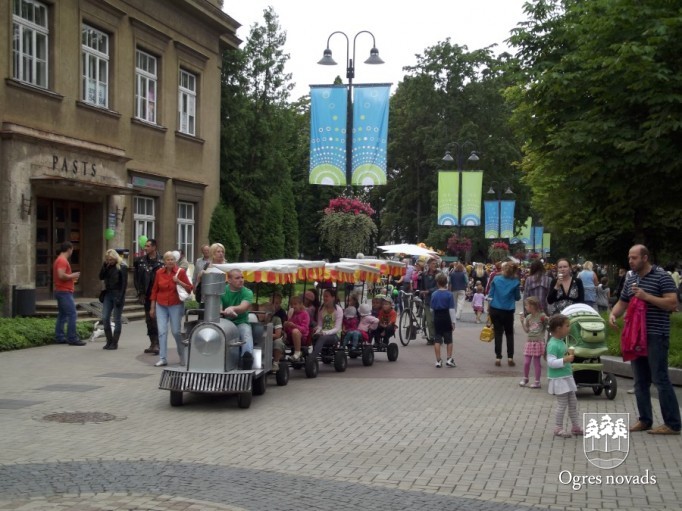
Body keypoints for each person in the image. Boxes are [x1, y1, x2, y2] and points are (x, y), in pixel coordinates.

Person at [609, 244, 680, 435]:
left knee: (660, 378)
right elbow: (623, 301)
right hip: (636, 336)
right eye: (629, 257)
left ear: (645, 258)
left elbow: (672, 303)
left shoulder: (662, 276)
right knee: (640, 380)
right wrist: (613, 314)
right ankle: (645, 420)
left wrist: (647, 296)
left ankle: (673, 424)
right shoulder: (631, 278)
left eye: (634, 258)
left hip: (656, 334)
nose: (630, 261)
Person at [149, 251, 193, 367]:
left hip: (175, 304)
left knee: (176, 332)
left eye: (172, 259)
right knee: (162, 332)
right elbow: (155, 290)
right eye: (168, 259)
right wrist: (152, 307)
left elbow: (190, 288)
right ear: (164, 261)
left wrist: (179, 281)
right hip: (161, 304)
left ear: (175, 261)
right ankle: (162, 358)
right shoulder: (159, 272)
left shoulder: (180, 272)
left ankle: (182, 354)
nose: (170, 261)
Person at [546, 314, 583, 438]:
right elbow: (551, 362)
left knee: (573, 402)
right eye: (567, 326)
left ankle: (575, 426)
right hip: (559, 379)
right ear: (558, 328)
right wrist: (565, 360)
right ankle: (558, 427)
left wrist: (567, 359)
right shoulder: (553, 344)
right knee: (562, 404)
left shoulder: (561, 342)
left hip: (566, 376)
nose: (569, 328)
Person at [488, 262, 521, 367]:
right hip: (508, 310)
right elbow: (517, 297)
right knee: (509, 334)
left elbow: (490, 295)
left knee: (498, 333)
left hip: (495, 308)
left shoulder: (496, 279)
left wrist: (489, 307)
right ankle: (510, 357)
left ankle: (498, 357)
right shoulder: (515, 282)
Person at [133, 238, 164, 354]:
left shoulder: (162, 261)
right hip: (146, 294)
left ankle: (158, 343)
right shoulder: (140, 261)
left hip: (159, 294)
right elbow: (137, 279)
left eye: (148, 246)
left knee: (156, 319)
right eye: (145, 246)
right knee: (149, 319)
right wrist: (140, 292)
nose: (145, 248)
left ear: (154, 247)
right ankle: (152, 343)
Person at [220, 268, 254, 369]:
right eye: (237, 278)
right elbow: (218, 308)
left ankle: (247, 359)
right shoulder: (221, 291)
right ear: (229, 280)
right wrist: (223, 312)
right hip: (224, 323)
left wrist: (232, 308)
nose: (241, 280)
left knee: (246, 332)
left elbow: (243, 307)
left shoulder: (247, 292)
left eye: (242, 277)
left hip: (241, 322)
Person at [52, 241, 84, 346]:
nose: (72, 252)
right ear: (69, 249)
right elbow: (61, 275)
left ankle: (60, 337)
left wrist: (70, 277)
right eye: (72, 249)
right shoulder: (62, 260)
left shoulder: (59, 259)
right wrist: (72, 275)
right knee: (72, 314)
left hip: (61, 290)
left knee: (63, 314)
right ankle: (72, 338)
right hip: (64, 291)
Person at [98, 249, 128, 350]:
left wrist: (120, 297)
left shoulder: (122, 267)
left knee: (116, 318)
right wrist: (104, 266)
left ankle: (115, 342)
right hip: (108, 294)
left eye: (111, 259)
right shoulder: (107, 266)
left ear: (115, 258)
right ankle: (109, 341)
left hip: (117, 294)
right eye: (107, 259)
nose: (109, 261)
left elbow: (124, 284)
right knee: (105, 317)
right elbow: (101, 277)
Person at [518, 297, 548, 388]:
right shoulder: (528, 317)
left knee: (536, 362)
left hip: (538, 342)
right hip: (529, 342)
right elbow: (527, 330)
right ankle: (525, 378)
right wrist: (522, 322)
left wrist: (548, 319)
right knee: (526, 362)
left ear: (532, 306)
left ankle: (537, 381)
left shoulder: (541, 316)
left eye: (526, 305)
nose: (525, 307)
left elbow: (548, 324)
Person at [430, 272, 457, 368]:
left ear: (437, 283)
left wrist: (434, 317)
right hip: (446, 318)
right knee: (449, 340)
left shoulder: (434, 294)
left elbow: (431, 309)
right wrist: (453, 322)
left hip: (437, 317)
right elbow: (451, 309)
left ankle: (438, 360)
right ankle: (449, 359)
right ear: (446, 283)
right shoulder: (449, 294)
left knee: (437, 340)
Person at [311, 288, 344, 359]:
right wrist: (317, 331)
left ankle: (313, 357)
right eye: (323, 296)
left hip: (334, 335)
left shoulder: (338, 310)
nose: (324, 298)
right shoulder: (321, 309)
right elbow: (320, 325)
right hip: (323, 332)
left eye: (326, 296)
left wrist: (325, 333)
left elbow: (337, 328)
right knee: (313, 336)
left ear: (333, 298)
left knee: (322, 338)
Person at [418, 258, 439, 343]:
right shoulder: (424, 274)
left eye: (435, 263)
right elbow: (422, 286)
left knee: (435, 320)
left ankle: (437, 336)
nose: (435, 265)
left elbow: (438, 286)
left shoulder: (438, 274)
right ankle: (432, 338)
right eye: (433, 263)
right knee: (429, 321)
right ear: (429, 265)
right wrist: (421, 292)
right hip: (427, 300)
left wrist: (428, 291)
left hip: (437, 299)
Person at [283, 295, 309, 362]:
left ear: (300, 304)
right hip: (290, 336)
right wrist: (286, 325)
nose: (293, 306)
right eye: (291, 304)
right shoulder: (291, 314)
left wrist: (294, 326)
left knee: (295, 331)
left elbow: (304, 329)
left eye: (295, 304)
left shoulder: (305, 314)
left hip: (301, 337)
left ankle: (297, 352)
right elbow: (287, 329)